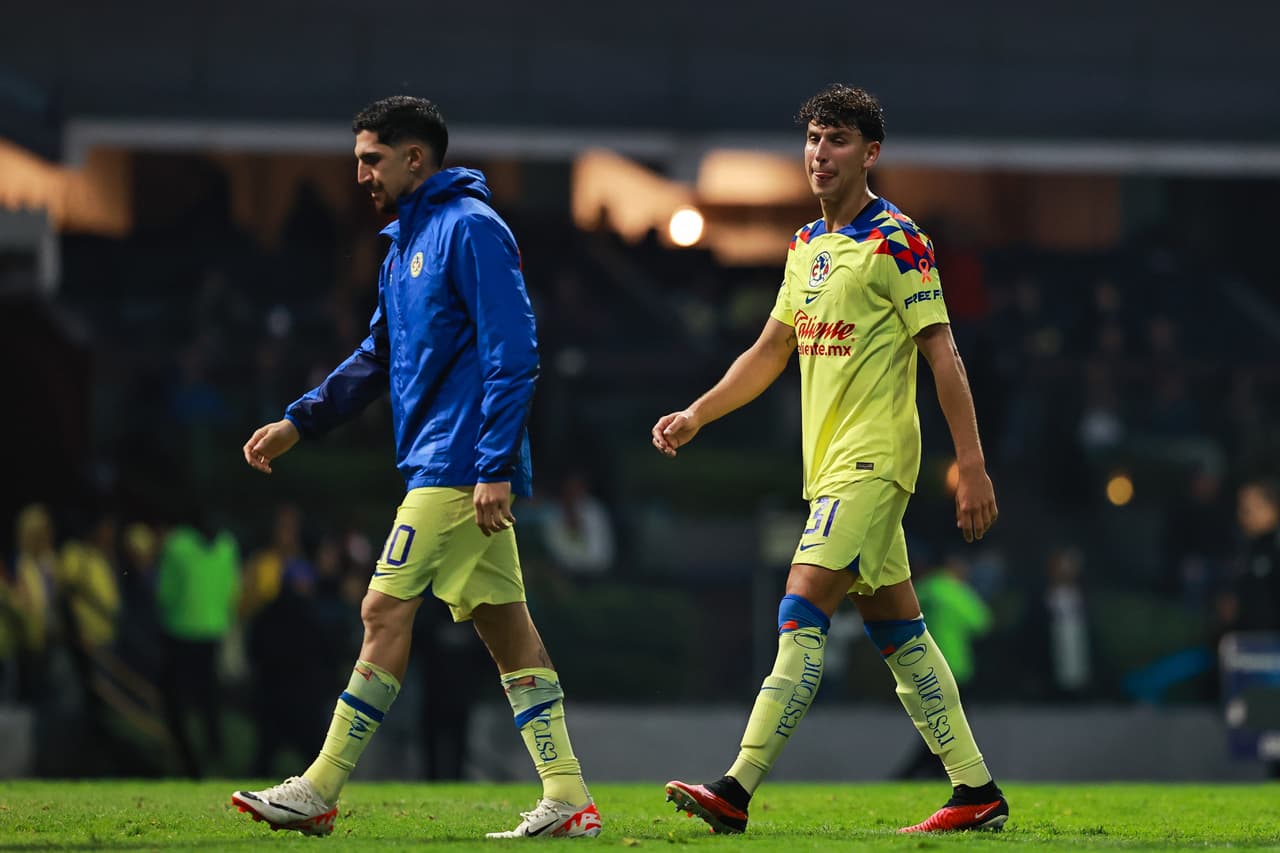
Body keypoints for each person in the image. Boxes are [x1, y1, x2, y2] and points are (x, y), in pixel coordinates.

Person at [231, 96, 601, 839]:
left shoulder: (470, 230)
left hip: (460, 465)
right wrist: (298, 421)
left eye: (372, 158)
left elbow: (515, 350)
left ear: (414, 158)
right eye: (359, 157)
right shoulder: (405, 243)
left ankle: (320, 786)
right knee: (508, 633)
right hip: (444, 459)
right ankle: (569, 796)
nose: (360, 172)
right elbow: (377, 355)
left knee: (380, 610)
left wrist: (494, 461)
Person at [652, 84, 1007, 834]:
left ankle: (736, 787)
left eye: (838, 140)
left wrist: (970, 463)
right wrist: (696, 413)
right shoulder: (805, 247)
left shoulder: (899, 240)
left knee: (801, 606)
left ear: (870, 153)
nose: (820, 153)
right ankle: (975, 790)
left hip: (875, 461)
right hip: (832, 469)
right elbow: (769, 349)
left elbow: (943, 353)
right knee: (901, 634)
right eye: (814, 138)